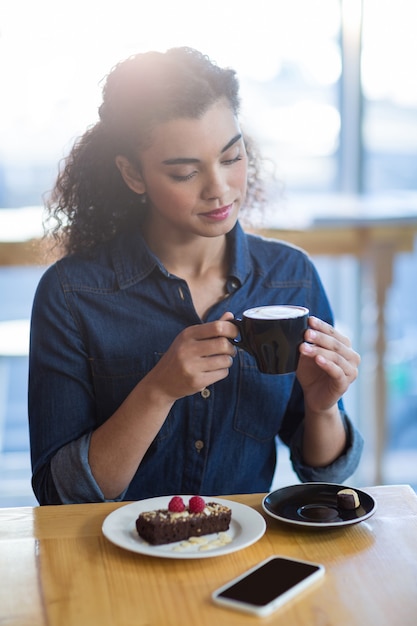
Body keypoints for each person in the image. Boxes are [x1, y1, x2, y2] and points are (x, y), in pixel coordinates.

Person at [28, 47, 363, 505]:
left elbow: (324, 473)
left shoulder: (290, 278)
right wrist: (158, 391)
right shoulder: (71, 294)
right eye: (186, 172)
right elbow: (59, 495)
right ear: (133, 174)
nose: (219, 189)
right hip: (111, 565)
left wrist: (323, 409)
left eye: (231, 158)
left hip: (240, 556)